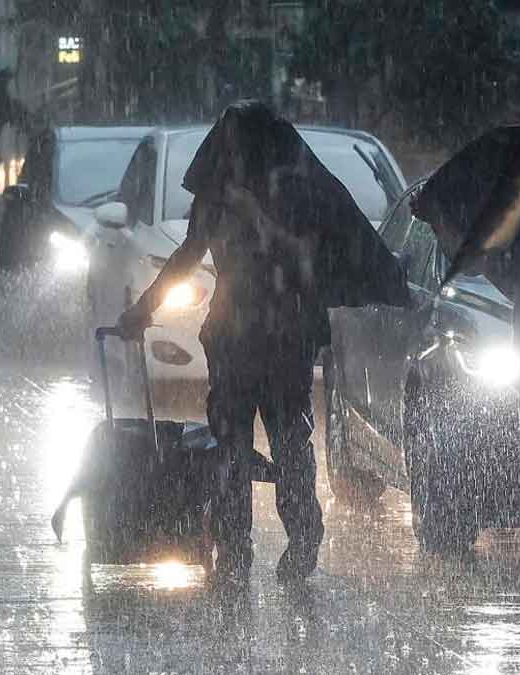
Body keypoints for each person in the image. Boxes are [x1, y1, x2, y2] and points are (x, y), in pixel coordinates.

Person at [117, 101, 406, 587]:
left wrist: (259, 217)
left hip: (283, 338)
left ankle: (302, 536)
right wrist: (144, 311)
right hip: (234, 340)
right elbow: (188, 255)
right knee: (232, 447)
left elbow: (307, 253)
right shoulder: (218, 197)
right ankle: (234, 549)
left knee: (288, 442)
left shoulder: (293, 193)